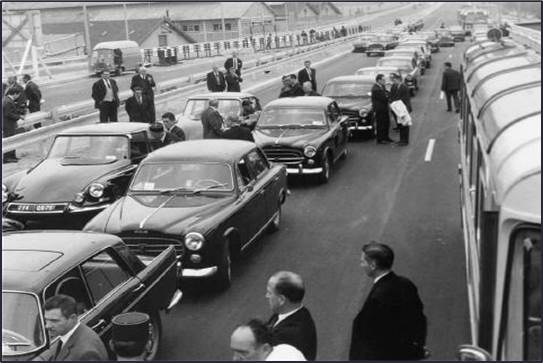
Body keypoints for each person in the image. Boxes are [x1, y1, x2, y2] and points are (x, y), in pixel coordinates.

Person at [349, 241, 427, 360]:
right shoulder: (406, 285)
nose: (361, 265)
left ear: (373, 265)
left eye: (363, 262)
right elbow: (420, 321)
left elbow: (372, 339)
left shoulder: (377, 298)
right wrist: (417, 349)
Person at [266, 271, 317, 360]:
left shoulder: (289, 336)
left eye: (270, 293)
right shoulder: (299, 312)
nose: (266, 296)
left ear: (281, 299)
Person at [43, 294, 108, 360]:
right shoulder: (66, 334)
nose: (47, 326)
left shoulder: (86, 353)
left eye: (54, 321)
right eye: (46, 320)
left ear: (72, 318)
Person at [230, 319, 306, 361]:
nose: (235, 359)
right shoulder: (285, 348)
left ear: (265, 349)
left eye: (243, 353)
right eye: (234, 351)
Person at [389, 73, 412, 146]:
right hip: (397, 108)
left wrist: (398, 105)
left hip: (403, 108)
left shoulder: (404, 87)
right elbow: (392, 96)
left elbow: (405, 99)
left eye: (395, 80)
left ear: (399, 80)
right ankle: (401, 139)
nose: (393, 81)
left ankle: (405, 141)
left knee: (405, 124)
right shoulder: (394, 86)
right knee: (400, 125)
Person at [371, 74, 394, 144]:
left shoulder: (382, 86)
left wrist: (387, 94)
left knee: (386, 123)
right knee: (381, 124)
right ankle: (380, 139)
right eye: (383, 80)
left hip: (384, 108)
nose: (385, 81)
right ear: (379, 80)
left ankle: (386, 137)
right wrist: (389, 92)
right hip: (380, 109)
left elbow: (386, 94)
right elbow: (385, 98)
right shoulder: (376, 89)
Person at [3, 88, 23, 163]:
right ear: (14, 94)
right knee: (10, 140)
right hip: (8, 124)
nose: (17, 97)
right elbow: (8, 114)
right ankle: (8, 157)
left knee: (10, 140)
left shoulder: (6, 99)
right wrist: (19, 117)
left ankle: (11, 156)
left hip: (7, 124)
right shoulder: (8, 101)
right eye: (18, 95)